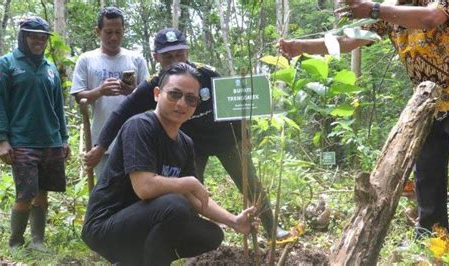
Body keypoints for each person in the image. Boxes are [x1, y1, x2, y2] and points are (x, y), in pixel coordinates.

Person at [84, 27, 289, 239]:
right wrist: (101, 146)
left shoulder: (206, 74)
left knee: (250, 183)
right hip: (192, 147)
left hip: (226, 139)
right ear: (156, 58)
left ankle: (272, 228)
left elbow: (233, 101)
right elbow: (122, 112)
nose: (174, 61)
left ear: (187, 53)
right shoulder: (155, 85)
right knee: (189, 192)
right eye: (167, 56)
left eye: (179, 54)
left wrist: (243, 135)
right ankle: (189, 236)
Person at [279, 0, 449, 237]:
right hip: (428, 106)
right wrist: (300, 46)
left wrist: (374, 9)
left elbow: (430, 17)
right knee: (427, 177)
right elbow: (349, 41)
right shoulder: (391, 10)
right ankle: (434, 238)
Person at [81, 63, 257, 265]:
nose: (182, 104)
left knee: (210, 234)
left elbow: (195, 198)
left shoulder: (185, 143)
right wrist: (190, 182)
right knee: (175, 205)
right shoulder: (140, 126)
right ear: (157, 94)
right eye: (174, 94)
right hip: (105, 226)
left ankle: (136, 261)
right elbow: (145, 188)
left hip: (141, 221)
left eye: (190, 99)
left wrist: (234, 221)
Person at [0, 16, 69, 250]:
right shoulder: (6, 64)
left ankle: (38, 241)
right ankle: (15, 241)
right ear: (23, 37)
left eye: (43, 37)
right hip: (22, 141)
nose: (39, 41)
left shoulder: (50, 68)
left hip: (50, 141)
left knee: (42, 195)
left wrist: (64, 139)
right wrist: (2, 140)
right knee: (25, 194)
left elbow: (58, 107)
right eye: (33, 36)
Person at [70, 6, 149, 179]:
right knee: (105, 190)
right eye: (108, 32)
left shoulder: (136, 59)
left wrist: (132, 92)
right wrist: (100, 91)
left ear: (124, 31)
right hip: (101, 141)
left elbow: (150, 97)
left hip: (135, 138)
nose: (114, 37)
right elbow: (79, 97)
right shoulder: (87, 60)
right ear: (98, 32)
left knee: (136, 191)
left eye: (118, 32)